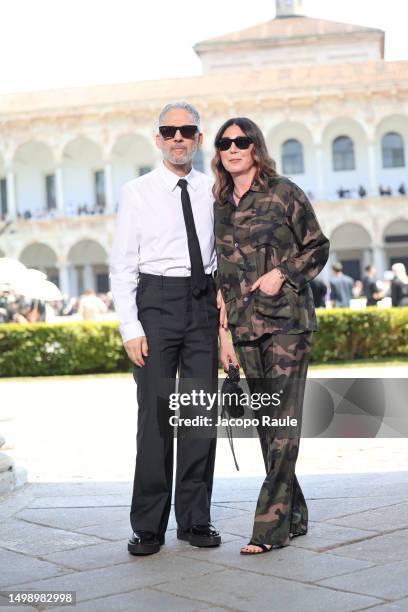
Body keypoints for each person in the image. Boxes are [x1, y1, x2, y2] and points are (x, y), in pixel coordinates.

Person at [109, 101, 225, 556]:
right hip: (154, 305)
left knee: (198, 414)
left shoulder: (214, 189)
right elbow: (121, 264)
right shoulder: (136, 192)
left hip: (201, 304)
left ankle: (195, 519)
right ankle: (148, 524)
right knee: (155, 418)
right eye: (169, 130)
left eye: (187, 131)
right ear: (158, 139)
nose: (178, 137)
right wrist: (129, 326)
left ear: (198, 139)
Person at [213, 117, 329, 555]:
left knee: (283, 425)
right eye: (225, 143)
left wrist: (284, 273)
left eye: (241, 142)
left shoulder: (284, 192)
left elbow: (318, 246)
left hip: (286, 323)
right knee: (266, 426)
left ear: (256, 147)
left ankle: (268, 528)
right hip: (244, 328)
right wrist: (224, 334)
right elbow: (223, 277)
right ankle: (294, 515)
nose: (233, 149)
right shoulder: (221, 205)